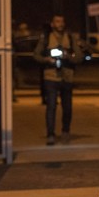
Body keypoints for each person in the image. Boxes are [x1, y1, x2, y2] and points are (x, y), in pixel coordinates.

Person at [33, 14, 82, 145]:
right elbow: (36, 55)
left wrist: (68, 57)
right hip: (51, 76)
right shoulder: (46, 38)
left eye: (62, 21)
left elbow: (79, 57)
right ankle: (50, 134)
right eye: (57, 21)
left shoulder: (70, 38)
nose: (60, 24)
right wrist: (47, 59)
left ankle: (65, 131)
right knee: (51, 106)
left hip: (67, 76)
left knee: (67, 107)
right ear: (52, 24)